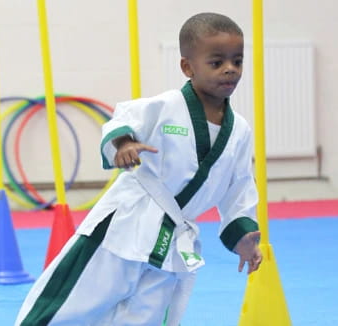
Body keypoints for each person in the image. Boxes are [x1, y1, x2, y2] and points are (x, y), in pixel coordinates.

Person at [15, 12, 262, 326]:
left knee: (148, 315)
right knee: (77, 301)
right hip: (129, 220)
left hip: (174, 238)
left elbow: (240, 186)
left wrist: (242, 236)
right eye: (217, 63)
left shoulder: (239, 131)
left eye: (237, 61)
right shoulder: (165, 106)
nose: (230, 69)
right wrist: (124, 144)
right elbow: (122, 121)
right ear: (188, 67)